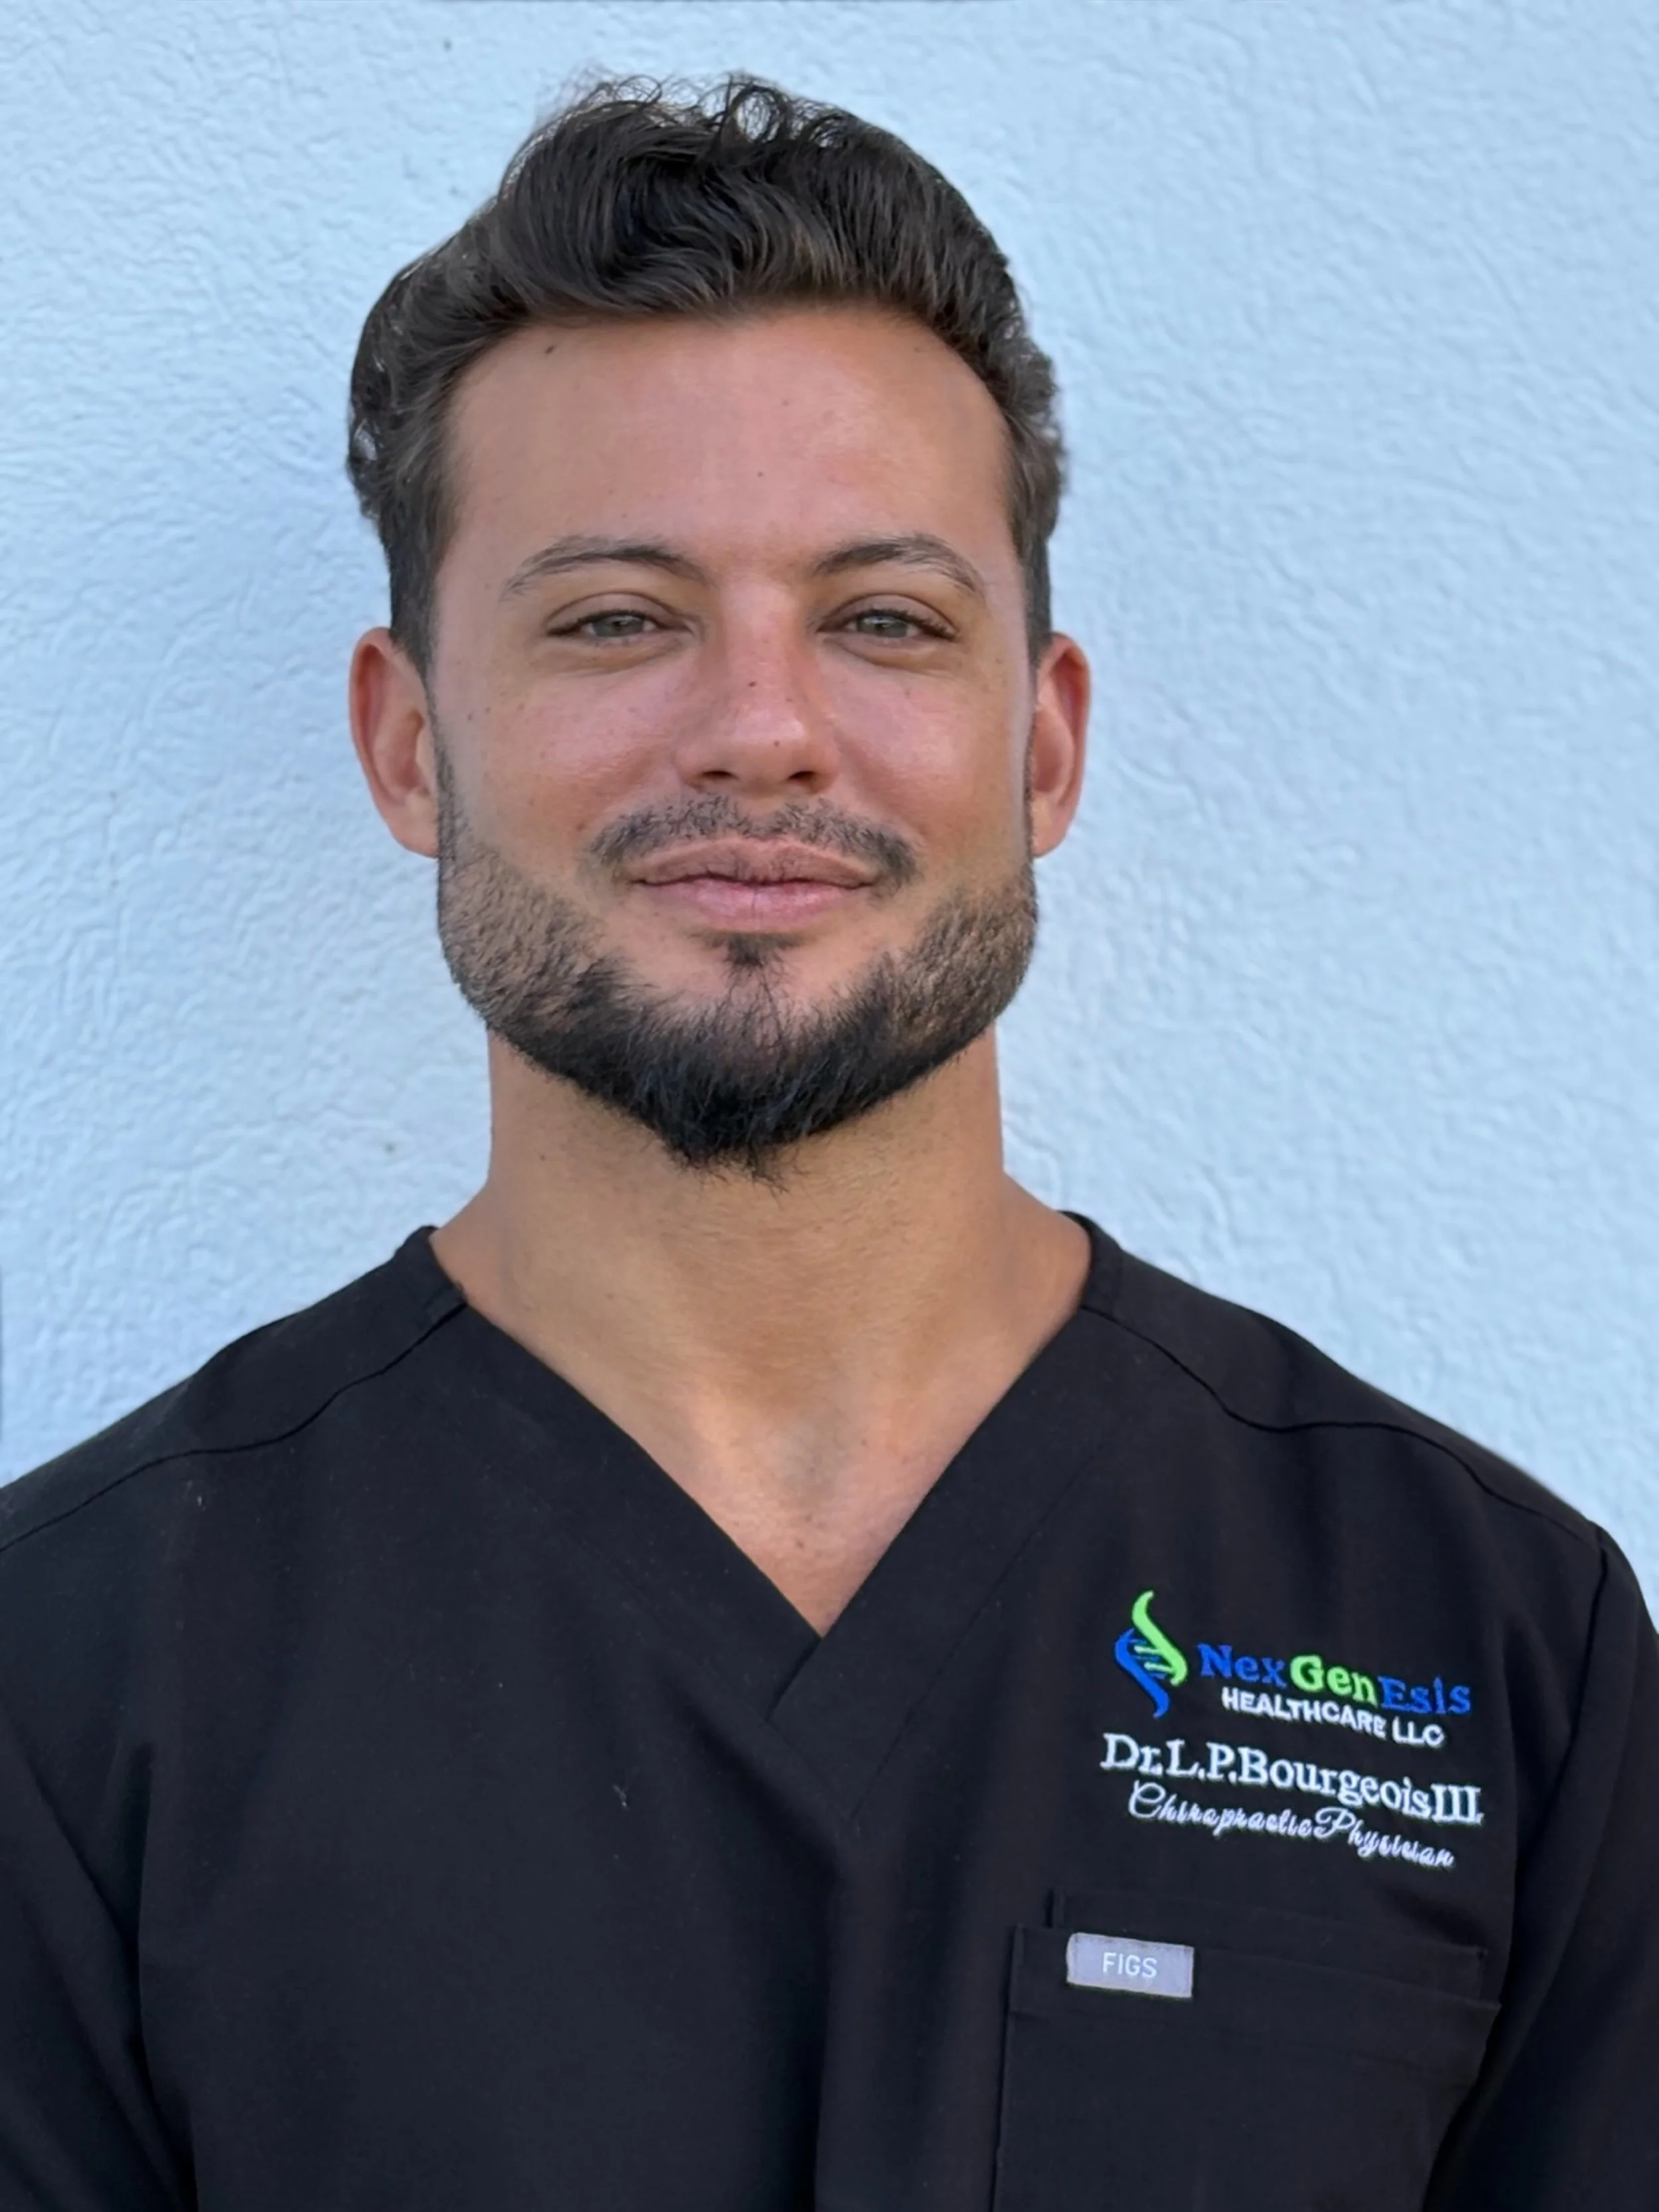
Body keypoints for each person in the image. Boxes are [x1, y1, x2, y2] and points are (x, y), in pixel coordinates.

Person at [0, 75, 1652, 2212]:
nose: (762, 730)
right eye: (616, 617)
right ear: (410, 745)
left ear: (1039, 745)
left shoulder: (1482, 1643)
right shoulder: (77, 1675)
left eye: (882, 619)